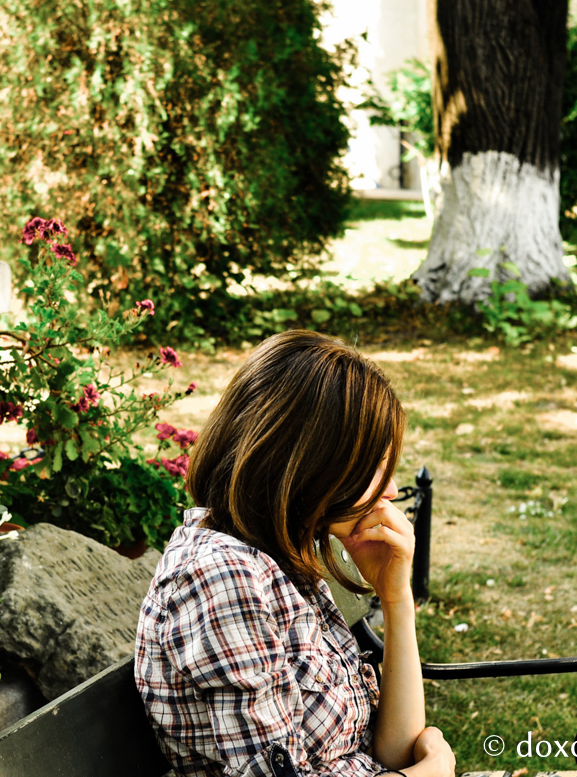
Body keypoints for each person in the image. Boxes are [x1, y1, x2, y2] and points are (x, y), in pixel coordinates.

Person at [134, 331, 456, 777]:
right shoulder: (223, 577)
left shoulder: (279, 561)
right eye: (373, 469)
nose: (392, 490)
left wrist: (396, 598)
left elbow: (391, 752)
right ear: (310, 465)